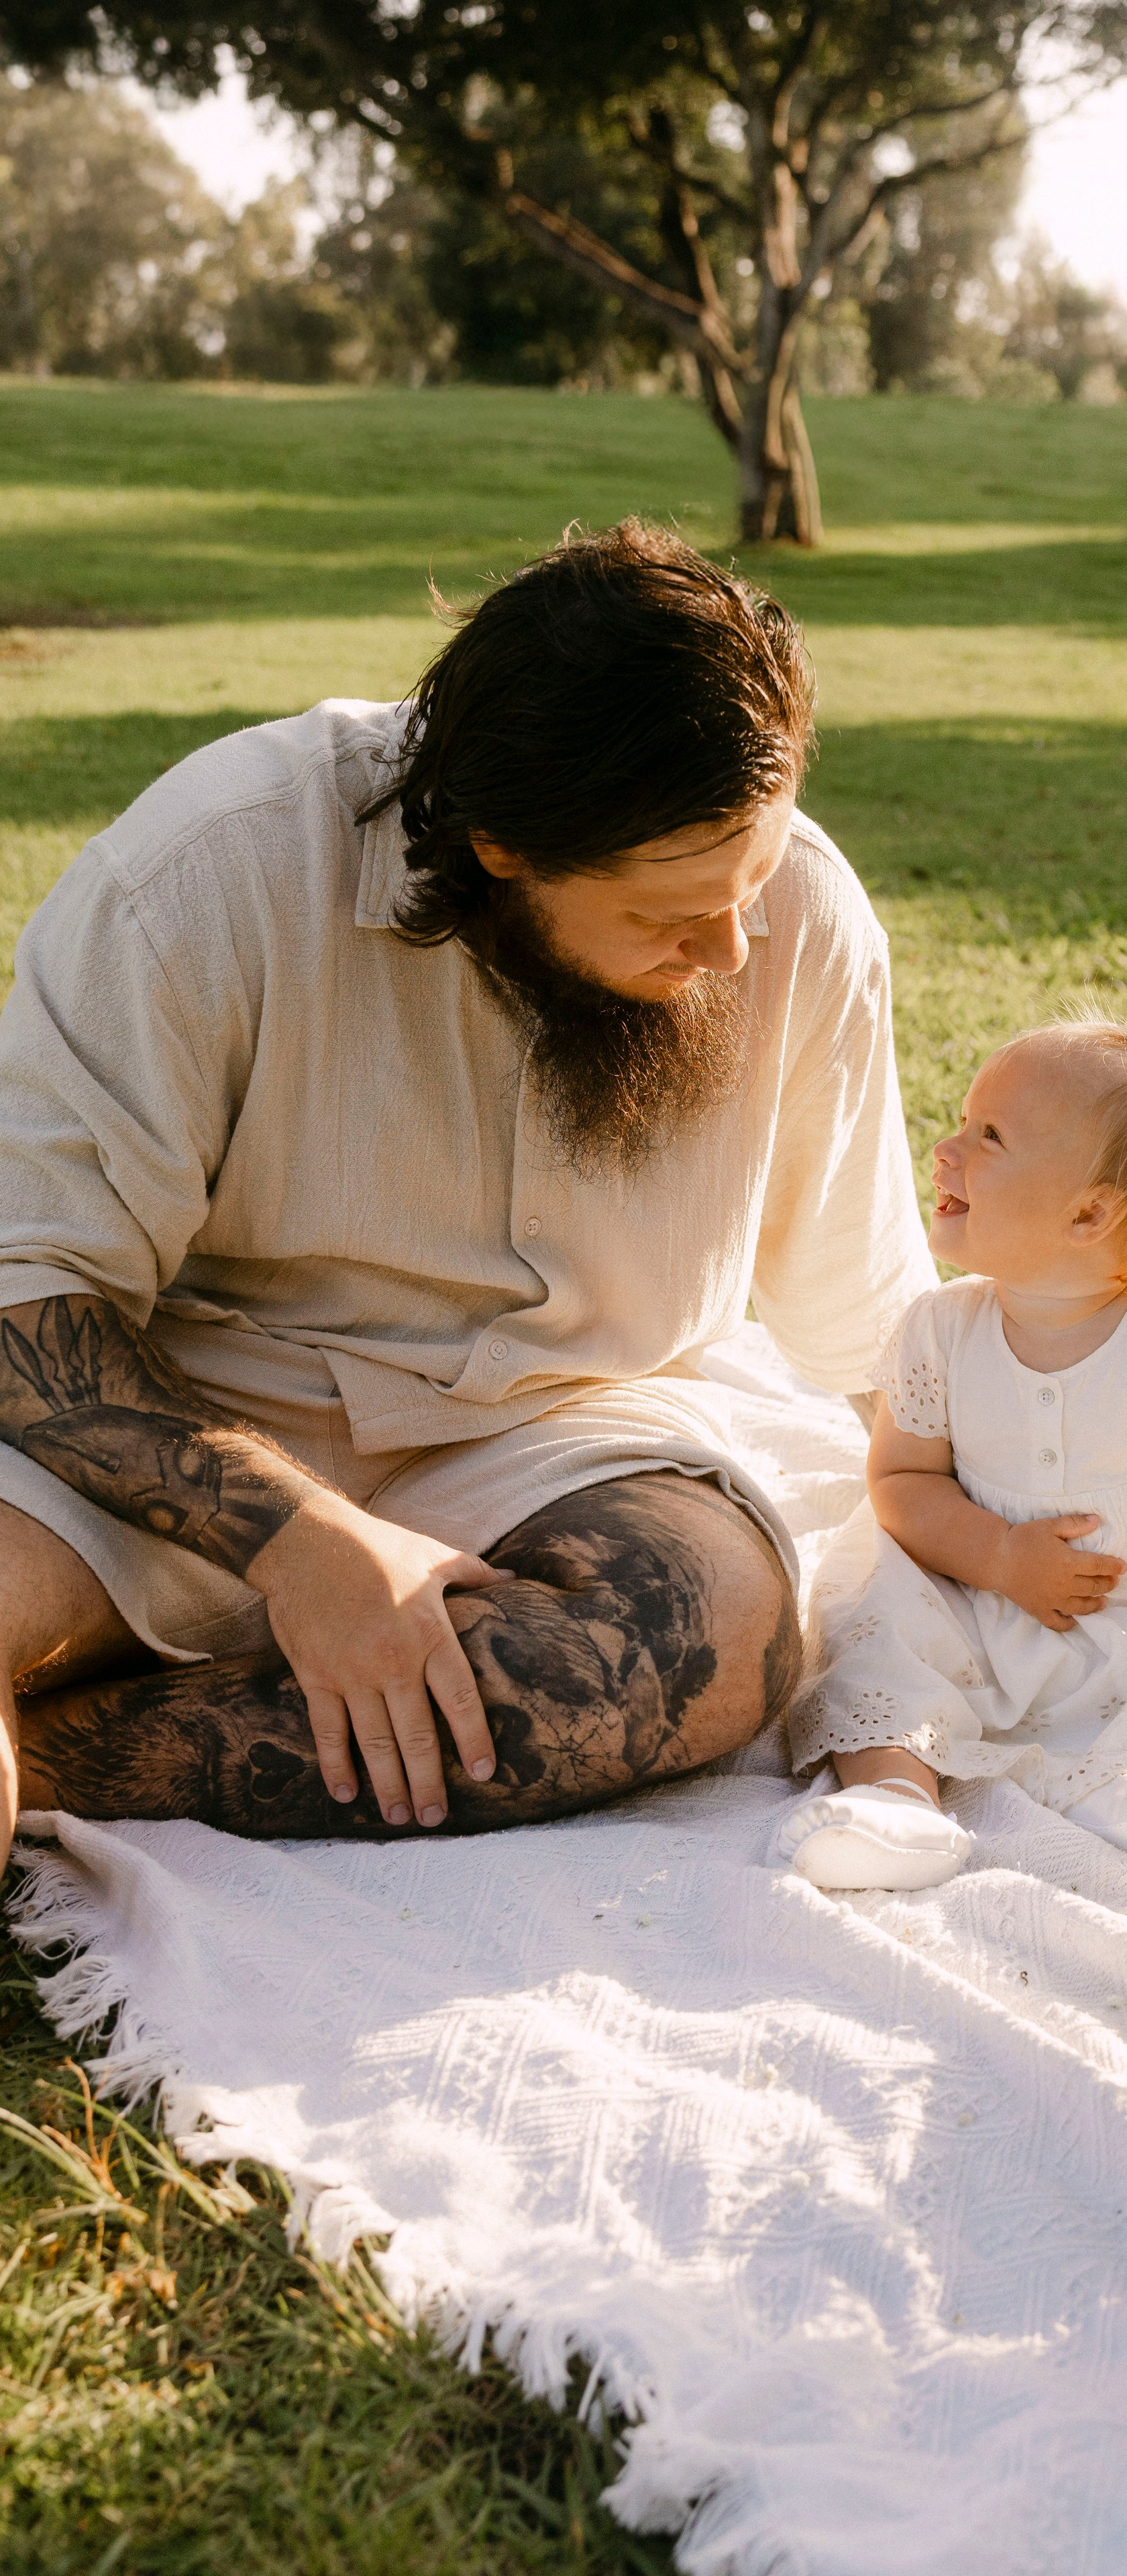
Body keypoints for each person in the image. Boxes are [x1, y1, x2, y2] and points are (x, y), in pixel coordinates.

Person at [0, 519, 935, 1866]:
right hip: (186, 1410)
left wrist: (1029, 1504)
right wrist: (307, 1548)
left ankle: (47, 1761)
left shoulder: (796, 912)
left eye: (751, 886)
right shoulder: (208, 873)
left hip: (560, 1431)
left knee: (702, 1641)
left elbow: (869, 1322)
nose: (733, 948)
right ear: (500, 847)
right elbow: (28, 1294)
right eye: (672, 918)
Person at [775, 1016, 1127, 1892]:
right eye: (963, 1123)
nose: (945, 1150)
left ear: (1088, 1213)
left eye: (989, 1137)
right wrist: (997, 1554)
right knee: (874, 1609)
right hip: (977, 1599)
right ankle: (896, 1800)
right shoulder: (939, 1331)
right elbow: (900, 1479)